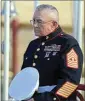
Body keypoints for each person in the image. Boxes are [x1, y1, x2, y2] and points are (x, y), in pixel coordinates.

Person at [21, 4, 83, 101]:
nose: (35, 25)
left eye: (39, 21)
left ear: (54, 24)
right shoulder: (33, 44)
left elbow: (70, 83)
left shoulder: (68, 44)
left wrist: (46, 99)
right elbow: (25, 76)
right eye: (34, 21)